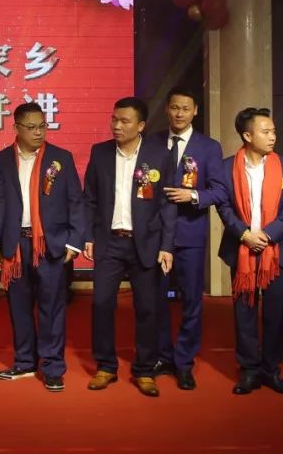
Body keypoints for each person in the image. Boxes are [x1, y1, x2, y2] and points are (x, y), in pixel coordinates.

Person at [0, 101, 83, 392]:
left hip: (50, 245)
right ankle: (25, 362)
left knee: (51, 308)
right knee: (19, 307)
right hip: (15, 245)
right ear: (16, 128)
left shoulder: (61, 158)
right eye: (31, 127)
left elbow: (75, 201)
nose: (38, 132)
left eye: (42, 126)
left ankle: (52, 367)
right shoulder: (1, 160)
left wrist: (74, 241)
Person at [83, 97, 176, 397]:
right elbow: (89, 199)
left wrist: (167, 245)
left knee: (147, 308)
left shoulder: (159, 156)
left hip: (145, 243)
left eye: (124, 121)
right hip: (109, 242)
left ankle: (145, 370)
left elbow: (167, 204)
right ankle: (106, 366)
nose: (117, 126)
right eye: (114, 119)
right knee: (101, 304)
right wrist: (88, 236)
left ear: (141, 125)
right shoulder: (99, 153)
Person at [217, 107, 283, 395]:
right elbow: (223, 207)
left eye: (273, 131)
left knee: (276, 313)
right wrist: (244, 234)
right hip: (241, 248)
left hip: (276, 250)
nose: (273, 136)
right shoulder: (226, 167)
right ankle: (249, 370)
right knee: (244, 312)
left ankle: (271, 370)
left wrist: (267, 235)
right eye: (266, 132)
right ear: (247, 135)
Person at [150, 86, 228, 390]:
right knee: (155, 300)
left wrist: (193, 195)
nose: (179, 114)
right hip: (155, 235)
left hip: (190, 234)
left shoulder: (208, 147)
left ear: (196, 111)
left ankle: (184, 362)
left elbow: (219, 191)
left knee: (192, 301)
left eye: (185, 108)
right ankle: (161, 356)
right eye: (174, 108)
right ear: (167, 109)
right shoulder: (152, 142)